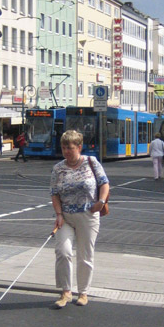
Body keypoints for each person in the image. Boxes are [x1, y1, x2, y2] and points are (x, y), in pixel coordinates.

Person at [50, 130, 109, 309]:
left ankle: (83, 292)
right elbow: (54, 194)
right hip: (66, 216)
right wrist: (59, 214)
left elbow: (104, 183)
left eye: (70, 147)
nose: (66, 151)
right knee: (63, 251)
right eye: (64, 147)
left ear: (79, 147)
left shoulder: (91, 162)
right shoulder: (58, 169)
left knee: (85, 255)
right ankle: (65, 291)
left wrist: (100, 202)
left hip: (88, 215)